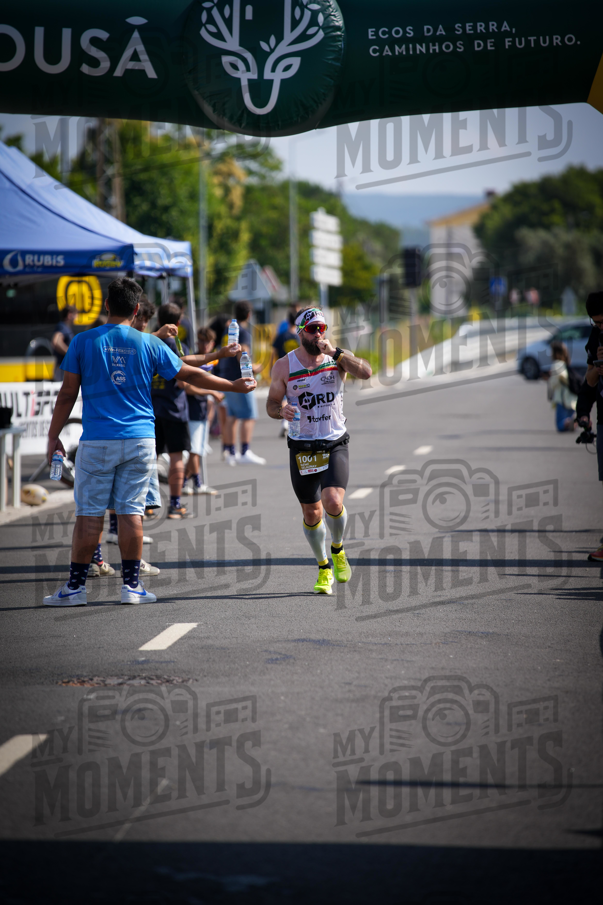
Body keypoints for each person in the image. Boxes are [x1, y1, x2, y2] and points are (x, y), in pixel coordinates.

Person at [43, 277, 256, 607]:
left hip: (98, 440)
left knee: (89, 515)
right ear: (137, 310)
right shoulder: (149, 344)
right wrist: (232, 385)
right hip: (141, 439)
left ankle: (75, 589)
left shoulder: (83, 341)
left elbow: (67, 394)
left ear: (107, 305)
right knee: (131, 513)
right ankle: (132, 587)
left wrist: (53, 436)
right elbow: (189, 373)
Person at [266, 306, 372, 594]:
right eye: (313, 329)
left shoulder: (337, 358)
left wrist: (336, 353)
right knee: (312, 513)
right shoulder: (284, 366)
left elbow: (366, 372)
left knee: (333, 502)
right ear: (301, 332)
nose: (318, 334)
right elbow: (271, 404)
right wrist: (281, 411)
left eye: (322, 329)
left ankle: (338, 549)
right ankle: (324, 566)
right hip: (302, 446)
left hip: (334, 441)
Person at [221, 301, 266, 466]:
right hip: (240, 378)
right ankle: (245, 451)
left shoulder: (229, 329)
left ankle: (230, 452)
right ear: (249, 314)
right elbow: (243, 354)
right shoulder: (244, 332)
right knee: (249, 416)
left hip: (226, 376)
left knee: (232, 416)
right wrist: (254, 368)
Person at [577, 290, 603, 561]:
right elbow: (590, 381)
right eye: (596, 322)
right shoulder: (595, 337)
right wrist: (583, 414)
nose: (600, 327)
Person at [182, 326, 222, 496]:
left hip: (203, 410)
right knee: (195, 450)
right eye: (201, 341)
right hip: (192, 409)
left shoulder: (212, 362)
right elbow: (187, 387)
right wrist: (210, 392)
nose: (204, 344)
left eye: (208, 341)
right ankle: (193, 483)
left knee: (198, 449)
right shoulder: (193, 360)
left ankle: (187, 482)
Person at [271, 309, 300, 437]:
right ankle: (290, 422)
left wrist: (271, 368)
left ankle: (284, 421)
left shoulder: (281, 336)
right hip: (298, 371)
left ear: (287, 321)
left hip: (283, 370)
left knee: (284, 397)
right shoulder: (299, 337)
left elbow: (273, 353)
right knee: (295, 398)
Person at [546, 342, 579, 432]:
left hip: (562, 399)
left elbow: (554, 383)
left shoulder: (556, 365)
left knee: (560, 425)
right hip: (572, 398)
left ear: (556, 353)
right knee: (566, 422)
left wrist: (550, 377)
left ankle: (571, 422)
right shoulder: (566, 364)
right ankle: (574, 421)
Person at [51, 304, 76, 381]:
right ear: (70, 314)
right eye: (75, 314)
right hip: (62, 369)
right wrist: (71, 353)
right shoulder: (62, 327)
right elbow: (56, 342)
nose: (76, 317)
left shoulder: (65, 327)